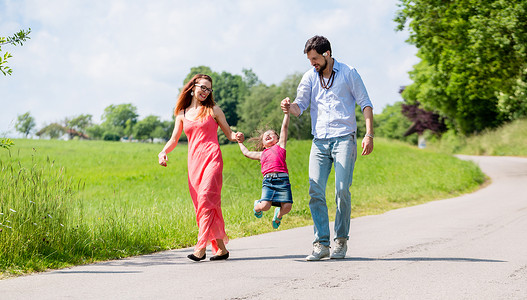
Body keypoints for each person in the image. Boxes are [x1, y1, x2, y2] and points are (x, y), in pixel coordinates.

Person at [281, 35, 374, 261]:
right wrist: (288, 106)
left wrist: (368, 134)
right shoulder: (309, 77)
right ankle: (321, 244)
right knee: (315, 191)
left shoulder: (349, 72)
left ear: (327, 54)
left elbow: (365, 103)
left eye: (315, 58)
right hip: (319, 141)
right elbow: (299, 106)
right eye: (309, 59)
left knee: (341, 190)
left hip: (344, 138)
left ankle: (340, 240)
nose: (312, 63)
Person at [158, 74, 244, 262]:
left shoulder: (213, 110)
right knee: (205, 205)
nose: (206, 92)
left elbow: (229, 134)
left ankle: (200, 248)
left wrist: (236, 136)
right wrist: (163, 152)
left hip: (212, 158)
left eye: (209, 89)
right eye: (202, 87)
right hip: (194, 163)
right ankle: (221, 249)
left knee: (206, 199)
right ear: (192, 87)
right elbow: (174, 139)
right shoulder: (181, 113)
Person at [237, 109, 293, 229]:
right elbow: (246, 153)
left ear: (277, 139)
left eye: (271, 134)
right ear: (263, 144)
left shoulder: (280, 146)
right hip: (269, 182)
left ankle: (278, 215)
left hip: (283, 181)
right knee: (265, 206)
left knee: (287, 207)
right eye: (265, 136)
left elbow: (285, 127)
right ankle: (257, 205)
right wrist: (240, 142)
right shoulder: (262, 154)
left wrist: (286, 113)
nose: (268, 135)